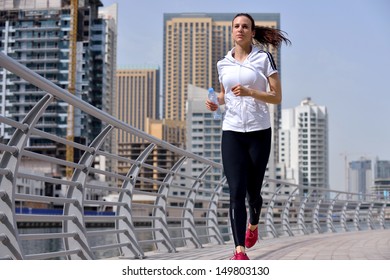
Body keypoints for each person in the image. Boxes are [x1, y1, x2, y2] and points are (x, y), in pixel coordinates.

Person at [205, 13, 291, 260]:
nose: (240, 29)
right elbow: (224, 94)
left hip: (258, 132)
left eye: (245, 26)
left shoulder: (263, 58)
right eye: (236, 26)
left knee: (253, 192)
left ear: (253, 32)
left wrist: (251, 92)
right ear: (231, 31)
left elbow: (276, 97)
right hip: (231, 131)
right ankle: (239, 250)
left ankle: (254, 223)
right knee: (235, 191)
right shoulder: (223, 63)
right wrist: (215, 102)